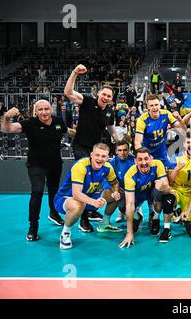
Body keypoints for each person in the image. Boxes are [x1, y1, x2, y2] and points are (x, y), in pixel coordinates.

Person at [0, 101, 75, 241]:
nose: (44, 112)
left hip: (55, 164)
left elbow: (68, 131)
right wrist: (7, 116)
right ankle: (33, 226)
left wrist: (83, 135)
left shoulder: (58, 122)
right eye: (40, 110)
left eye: (46, 109)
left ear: (51, 109)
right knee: (38, 191)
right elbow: (6, 129)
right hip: (36, 165)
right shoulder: (29, 123)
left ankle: (54, 213)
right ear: (36, 112)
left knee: (54, 191)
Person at [64, 64, 121, 230]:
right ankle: (83, 219)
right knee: (85, 180)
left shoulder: (110, 111)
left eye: (109, 96)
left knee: (95, 181)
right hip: (81, 147)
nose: (106, 97)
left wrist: (118, 142)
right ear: (98, 94)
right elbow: (68, 92)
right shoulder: (87, 101)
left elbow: (111, 128)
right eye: (104, 94)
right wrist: (74, 72)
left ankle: (90, 209)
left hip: (96, 151)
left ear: (111, 99)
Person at [55, 143, 122, 249]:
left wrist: (115, 191)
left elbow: (114, 183)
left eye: (103, 156)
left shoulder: (108, 168)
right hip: (66, 198)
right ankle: (65, 233)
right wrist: (94, 202)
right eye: (97, 155)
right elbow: (76, 194)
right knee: (78, 205)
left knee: (116, 196)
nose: (100, 159)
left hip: (90, 198)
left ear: (108, 157)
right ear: (91, 155)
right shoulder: (81, 166)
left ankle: (104, 224)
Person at [119, 147, 175, 247]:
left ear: (151, 158)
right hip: (137, 196)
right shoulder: (129, 175)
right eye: (140, 159)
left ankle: (155, 218)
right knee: (122, 204)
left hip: (153, 194)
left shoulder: (158, 164)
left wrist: (163, 187)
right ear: (135, 161)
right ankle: (137, 216)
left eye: (146, 158)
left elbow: (168, 190)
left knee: (163, 192)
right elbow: (130, 203)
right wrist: (129, 233)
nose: (144, 162)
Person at [134, 94, 185, 169]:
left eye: (156, 104)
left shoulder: (166, 114)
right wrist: (143, 158)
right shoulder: (142, 120)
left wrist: (179, 118)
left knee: (171, 172)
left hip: (162, 153)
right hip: (148, 154)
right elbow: (137, 142)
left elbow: (182, 128)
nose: (154, 107)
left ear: (160, 105)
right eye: (151, 105)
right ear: (147, 107)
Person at [167, 132, 191, 223]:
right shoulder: (175, 158)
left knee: (187, 221)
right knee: (169, 198)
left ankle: (180, 212)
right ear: (183, 144)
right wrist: (176, 169)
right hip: (177, 190)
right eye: (188, 143)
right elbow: (170, 182)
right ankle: (172, 213)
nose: (190, 145)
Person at [103, 141, 136, 224]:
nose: (122, 153)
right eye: (120, 150)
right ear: (116, 151)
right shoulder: (110, 164)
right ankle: (105, 222)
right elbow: (107, 183)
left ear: (129, 151)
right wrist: (115, 191)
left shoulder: (135, 161)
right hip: (119, 191)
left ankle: (148, 214)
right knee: (111, 196)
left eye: (125, 150)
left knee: (136, 220)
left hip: (134, 191)